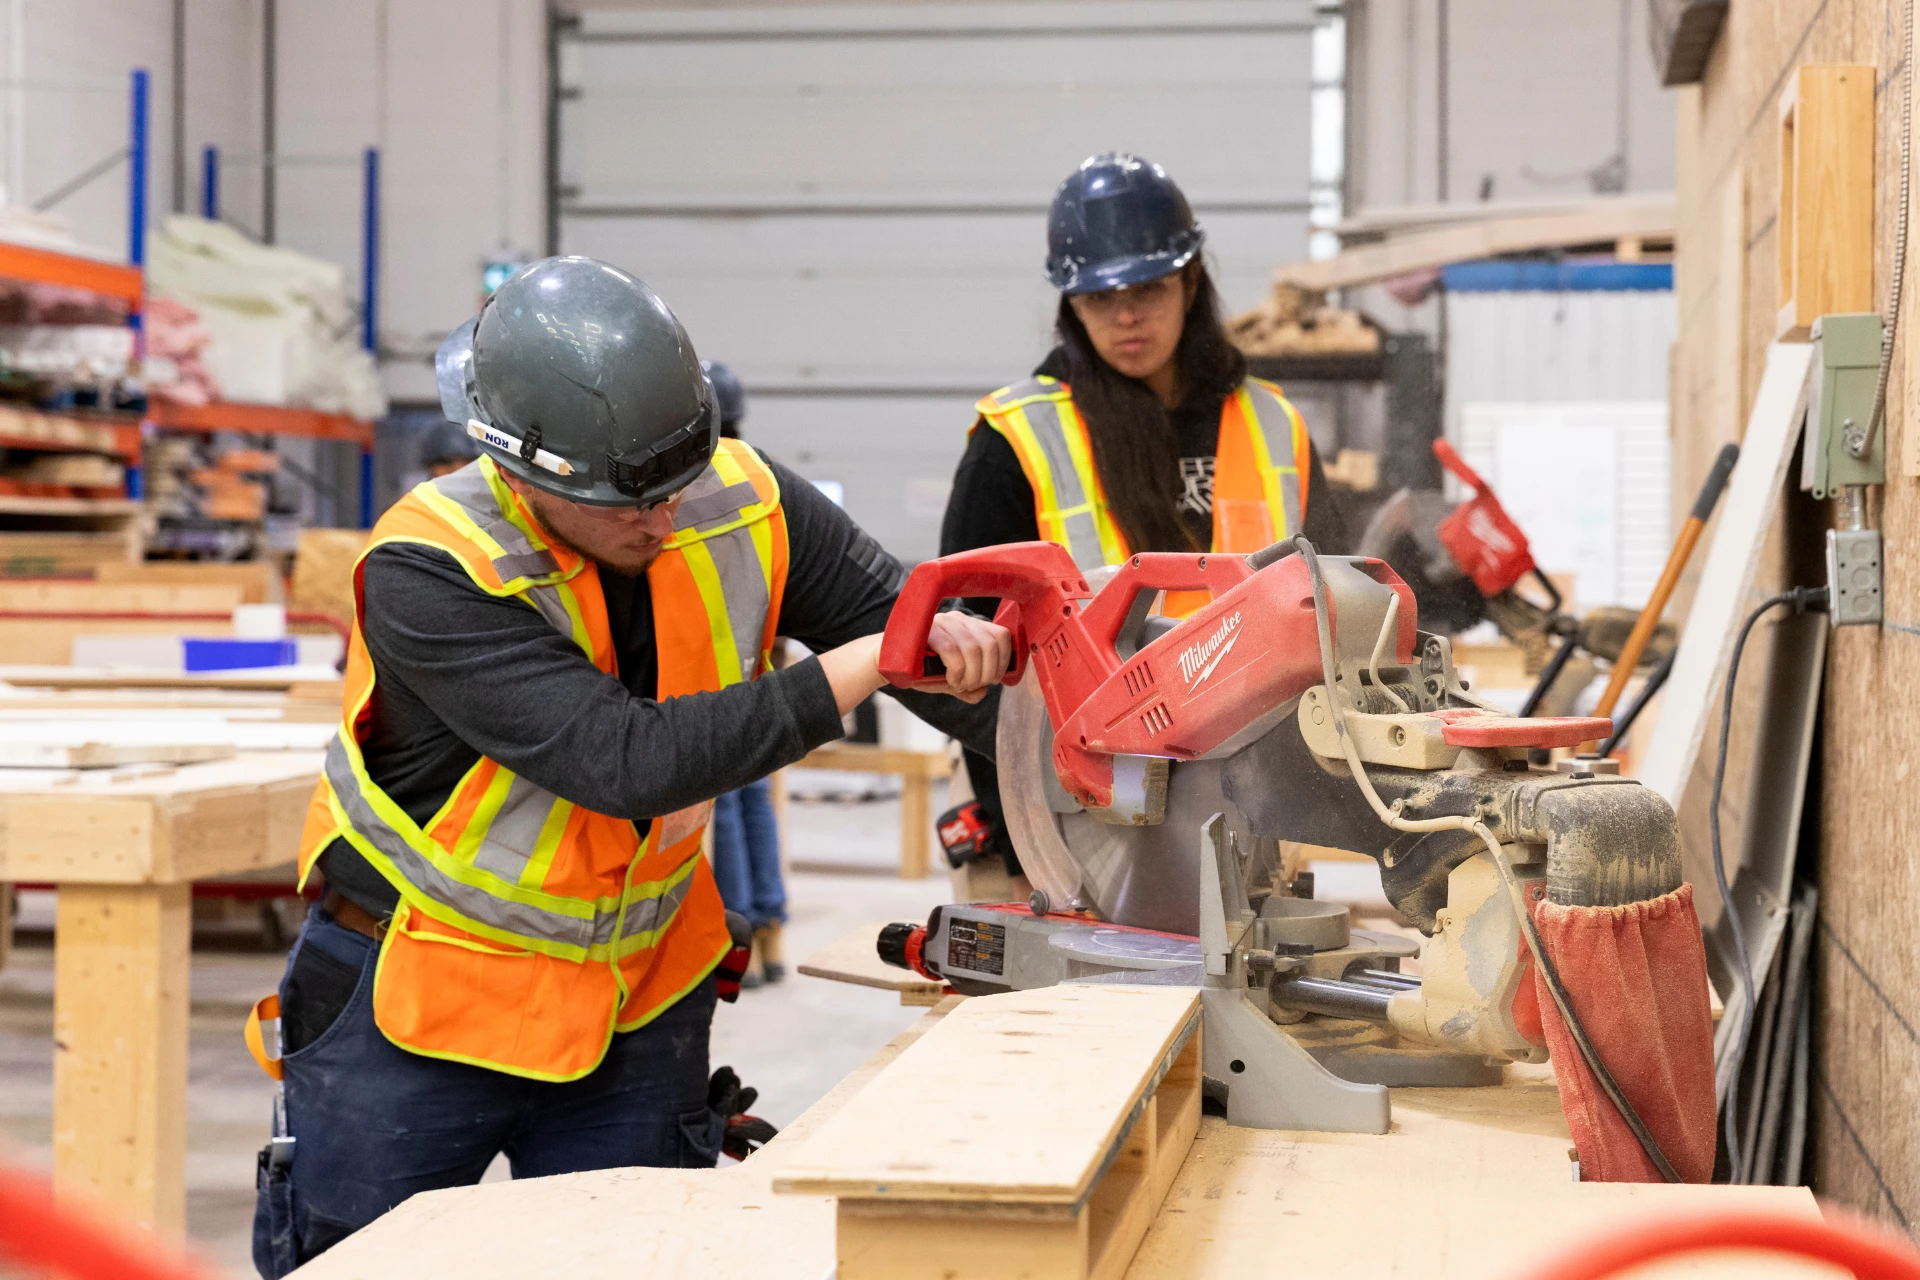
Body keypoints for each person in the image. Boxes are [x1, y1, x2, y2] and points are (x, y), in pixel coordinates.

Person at [249, 256, 1011, 1276]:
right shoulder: (428, 567)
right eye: (629, 502)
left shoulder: (743, 499)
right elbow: (625, 758)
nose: (666, 518)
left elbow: (915, 639)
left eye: (676, 481)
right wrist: (865, 663)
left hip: (638, 999)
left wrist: (1070, 748)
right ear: (520, 472)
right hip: (423, 1004)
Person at [938, 151, 1349, 876]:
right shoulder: (1016, 439)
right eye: (1101, 298)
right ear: (1070, 302)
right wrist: (1034, 834)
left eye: (1149, 288)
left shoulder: (1273, 426)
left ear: (1191, 280)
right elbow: (966, 666)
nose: (1127, 316)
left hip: (1249, 821)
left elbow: (1332, 608)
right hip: (1061, 830)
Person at [698, 359, 789, 985]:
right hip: (761, 658)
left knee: (725, 803)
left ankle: (738, 933)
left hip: (709, 659)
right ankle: (771, 934)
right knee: (755, 798)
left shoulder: (691, 481)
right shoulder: (757, 476)